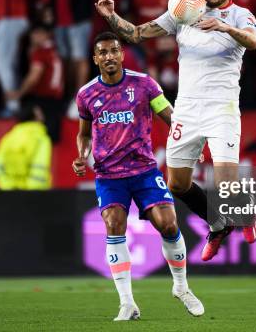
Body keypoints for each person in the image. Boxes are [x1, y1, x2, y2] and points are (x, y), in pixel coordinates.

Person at [96, 0, 256, 262]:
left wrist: (225, 29)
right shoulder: (184, 11)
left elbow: (252, 42)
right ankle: (217, 224)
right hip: (186, 108)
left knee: (226, 184)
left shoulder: (241, 15)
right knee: (177, 183)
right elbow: (137, 33)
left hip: (221, 107)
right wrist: (110, 17)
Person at [72, 31, 203, 321]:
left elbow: (170, 116)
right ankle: (127, 303)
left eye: (114, 51)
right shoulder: (86, 95)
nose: (109, 57)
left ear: (121, 54)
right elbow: (83, 134)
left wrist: (190, 143)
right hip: (109, 175)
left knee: (168, 224)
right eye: (103, 52)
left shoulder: (144, 85)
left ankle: (181, 287)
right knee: (113, 224)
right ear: (95, 59)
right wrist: (82, 155)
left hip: (144, 170)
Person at [7, 26, 64, 142]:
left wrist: (18, 94)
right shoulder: (54, 50)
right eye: (34, 34)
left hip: (42, 100)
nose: (34, 37)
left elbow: (33, 78)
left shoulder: (40, 52)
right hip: (57, 101)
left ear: (47, 35)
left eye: (39, 33)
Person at [0, 105, 52, 190]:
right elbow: (40, 166)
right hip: (34, 194)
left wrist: (6, 186)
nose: (43, 116)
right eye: (40, 114)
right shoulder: (41, 138)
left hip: (9, 192)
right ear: (35, 117)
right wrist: (34, 193)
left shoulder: (9, 137)